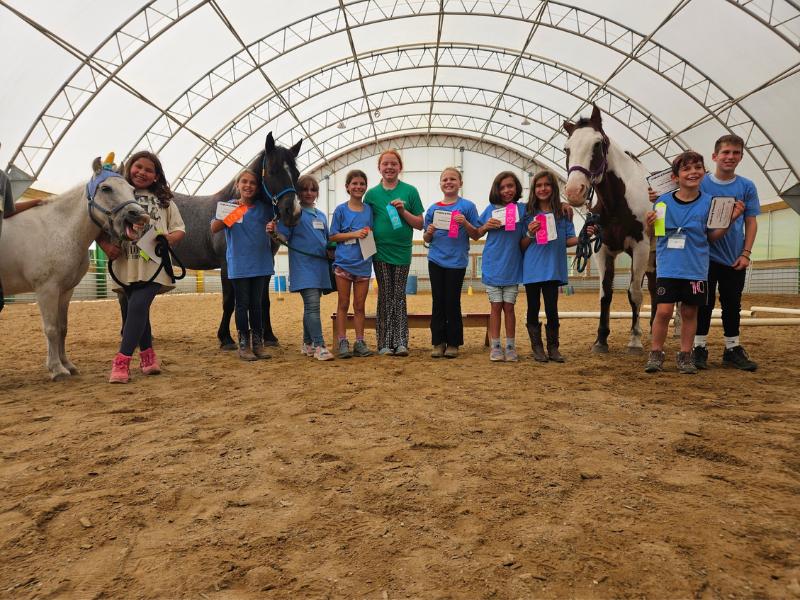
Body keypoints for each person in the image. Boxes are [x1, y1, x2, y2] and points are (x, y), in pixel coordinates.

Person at [644, 151, 744, 375]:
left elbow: (711, 236)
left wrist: (730, 220)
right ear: (675, 177)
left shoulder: (710, 203)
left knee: (690, 312)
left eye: (698, 167)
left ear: (704, 171)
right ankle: (656, 353)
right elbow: (657, 234)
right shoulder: (662, 202)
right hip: (668, 266)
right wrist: (649, 225)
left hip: (696, 268)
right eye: (686, 169)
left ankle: (686, 355)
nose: (693, 172)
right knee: (663, 311)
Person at [105, 151, 185, 383]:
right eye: (138, 167)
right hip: (125, 263)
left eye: (149, 170)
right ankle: (148, 357)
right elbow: (100, 227)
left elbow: (179, 228)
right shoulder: (118, 194)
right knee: (137, 312)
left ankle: (122, 361)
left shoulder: (164, 201)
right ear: (130, 167)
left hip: (154, 263)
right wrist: (105, 246)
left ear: (156, 176)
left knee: (138, 306)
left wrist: (169, 239)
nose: (142, 172)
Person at [694, 134, 760, 371]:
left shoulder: (746, 186)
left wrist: (746, 253)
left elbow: (751, 222)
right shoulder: (701, 183)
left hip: (734, 258)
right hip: (704, 257)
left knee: (733, 304)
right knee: (704, 303)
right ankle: (698, 347)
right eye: (726, 152)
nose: (730, 157)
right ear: (715, 156)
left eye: (735, 153)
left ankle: (732, 348)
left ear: (741, 157)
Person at [363, 149, 424, 356]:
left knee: (398, 296)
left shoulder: (410, 191)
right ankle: (383, 343)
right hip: (379, 253)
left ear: (400, 167)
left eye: (393, 163)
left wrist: (402, 211)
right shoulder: (371, 194)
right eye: (385, 164)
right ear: (379, 168)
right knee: (385, 296)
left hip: (402, 252)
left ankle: (400, 342)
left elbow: (420, 224)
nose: (389, 167)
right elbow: (365, 222)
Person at [268, 174, 335, 361]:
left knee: (310, 307)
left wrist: (331, 251)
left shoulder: (321, 215)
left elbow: (327, 240)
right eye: (304, 189)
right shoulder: (294, 214)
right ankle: (320, 346)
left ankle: (307, 344)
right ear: (298, 192)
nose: (309, 193)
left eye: (313, 189)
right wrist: (274, 232)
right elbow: (282, 238)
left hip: (320, 267)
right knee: (313, 306)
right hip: (303, 267)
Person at [210, 169, 273, 361]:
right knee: (241, 305)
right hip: (239, 265)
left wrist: (273, 227)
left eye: (252, 183)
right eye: (244, 182)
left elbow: (276, 223)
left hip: (261, 263)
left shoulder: (265, 208)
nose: (248, 186)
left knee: (256, 305)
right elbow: (214, 227)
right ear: (237, 185)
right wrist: (235, 212)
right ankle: (244, 345)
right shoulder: (229, 206)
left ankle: (258, 344)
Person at [520, 170, 578, 363]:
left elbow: (568, 240)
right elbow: (521, 244)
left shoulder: (563, 213)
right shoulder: (527, 213)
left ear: (553, 188)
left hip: (553, 268)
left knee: (552, 308)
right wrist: (529, 233)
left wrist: (584, 237)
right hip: (532, 268)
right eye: (538, 185)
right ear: (533, 189)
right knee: (533, 307)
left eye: (547, 185)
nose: (543, 189)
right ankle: (537, 348)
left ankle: (553, 348)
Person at [422, 167, 479, 358]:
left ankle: (454, 343)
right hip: (436, 260)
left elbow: (476, 235)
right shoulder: (433, 209)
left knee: (452, 302)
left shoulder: (468, 207)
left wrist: (465, 223)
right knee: (438, 301)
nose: (448, 182)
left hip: (457, 262)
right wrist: (428, 232)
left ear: (460, 183)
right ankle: (438, 342)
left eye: (452, 179)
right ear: (440, 184)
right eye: (445, 179)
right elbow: (426, 239)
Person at [474, 171, 526, 362]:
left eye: (510, 186)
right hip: (493, 266)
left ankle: (510, 346)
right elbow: (477, 233)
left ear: (517, 188)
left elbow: (544, 207)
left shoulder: (523, 209)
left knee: (509, 308)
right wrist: (486, 226)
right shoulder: (490, 209)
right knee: (495, 307)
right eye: (502, 187)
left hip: (512, 267)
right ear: (496, 189)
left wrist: (562, 205)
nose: (506, 190)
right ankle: (495, 346)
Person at [328, 169, 374, 358]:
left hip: (363, 263)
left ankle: (360, 341)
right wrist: (354, 234)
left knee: (360, 305)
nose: (358, 187)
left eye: (362, 184)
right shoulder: (340, 210)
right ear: (347, 187)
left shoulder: (369, 209)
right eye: (354, 183)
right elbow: (332, 236)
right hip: (344, 264)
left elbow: (371, 233)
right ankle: (342, 340)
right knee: (343, 303)